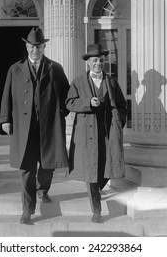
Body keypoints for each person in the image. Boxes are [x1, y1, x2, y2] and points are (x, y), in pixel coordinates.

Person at [0, 27, 70, 224]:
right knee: (27, 167)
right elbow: (6, 95)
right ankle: (27, 209)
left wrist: (63, 112)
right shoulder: (15, 68)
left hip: (49, 125)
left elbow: (67, 93)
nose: (34, 50)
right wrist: (5, 119)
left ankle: (43, 189)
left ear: (44, 47)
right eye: (31, 46)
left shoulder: (55, 68)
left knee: (48, 164)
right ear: (26, 47)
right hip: (24, 126)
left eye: (38, 47)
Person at [66, 44, 127, 223]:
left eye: (101, 60)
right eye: (95, 61)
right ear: (88, 63)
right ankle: (97, 210)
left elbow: (122, 105)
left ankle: (98, 191)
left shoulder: (112, 82)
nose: (98, 63)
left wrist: (119, 122)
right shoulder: (78, 82)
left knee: (108, 167)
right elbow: (69, 103)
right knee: (91, 172)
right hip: (87, 132)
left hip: (108, 131)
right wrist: (87, 102)